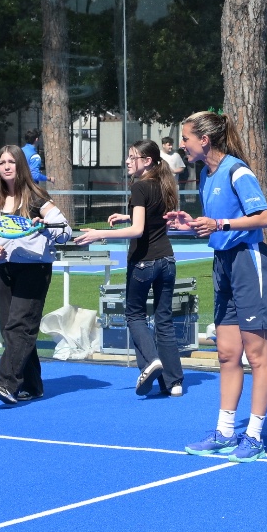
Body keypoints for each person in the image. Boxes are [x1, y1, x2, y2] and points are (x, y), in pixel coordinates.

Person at [165, 111, 267, 464]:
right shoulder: (204, 175)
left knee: (257, 355)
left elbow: (263, 217)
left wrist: (220, 223)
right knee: (228, 353)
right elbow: (214, 225)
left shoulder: (237, 171)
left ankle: (255, 436)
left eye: (185, 139)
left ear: (204, 140)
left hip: (249, 262)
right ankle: (225, 431)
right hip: (223, 265)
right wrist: (190, 224)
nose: (182, 145)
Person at [74, 140, 186, 398]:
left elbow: (138, 230)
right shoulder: (164, 184)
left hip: (144, 262)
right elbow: (153, 219)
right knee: (164, 320)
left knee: (134, 316)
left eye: (132, 156)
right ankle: (174, 382)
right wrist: (127, 216)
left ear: (146, 161)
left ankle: (150, 362)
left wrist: (98, 234)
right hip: (167, 261)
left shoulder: (140, 186)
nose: (127, 161)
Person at [0, 145, 73, 405]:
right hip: (4, 270)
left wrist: (44, 227)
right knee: (13, 331)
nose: (7, 166)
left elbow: (65, 230)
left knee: (20, 327)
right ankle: (32, 384)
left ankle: (5, 383)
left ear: (20, 166)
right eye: (2, 163)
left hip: (34, 269)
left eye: (12, 162)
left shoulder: (36, 198)